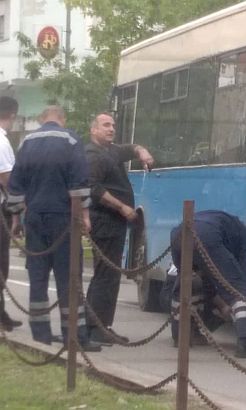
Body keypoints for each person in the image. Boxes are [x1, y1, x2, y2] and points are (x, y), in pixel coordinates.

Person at [7, 106, 101, 351]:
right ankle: (74, 335)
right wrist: (84, 216)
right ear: (62, 118)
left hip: (35, 218)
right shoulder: (71, 140)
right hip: (64, 217)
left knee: (37, 276)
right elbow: (79, 183)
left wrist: (17, 219)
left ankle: (41, 335)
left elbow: (16, 185)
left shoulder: (27, 142)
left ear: (41, 120)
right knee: (69, 277)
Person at [84, 112, 153, 346]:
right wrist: (122, 207)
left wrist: (141, 152)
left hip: (115, 222)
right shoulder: (93, 155)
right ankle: (95, 327)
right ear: (93, 130)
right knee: (105, 275)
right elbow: (93, 188)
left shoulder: (111, 151)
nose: (111, 129)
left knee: (110, 275)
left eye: (113, 125)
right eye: (105, 125)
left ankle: (103, 325)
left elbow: (131, 148)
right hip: (104, 220)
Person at [170, 210, 246, 359]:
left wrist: (222, 304)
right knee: (241, 290)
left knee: (187, 282)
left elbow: (208, 281)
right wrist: (234, 304)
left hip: (179, 234)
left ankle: (180, 336)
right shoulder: (244, 239)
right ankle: (245, 343)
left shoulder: (222, 221)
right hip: (209, 236)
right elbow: (245, 277)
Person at [0, 96, 22, 331]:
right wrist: (20, 207)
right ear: (12, 115)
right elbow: (6, 178)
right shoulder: (2, 142)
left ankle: (1, 312)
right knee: (1, 263)